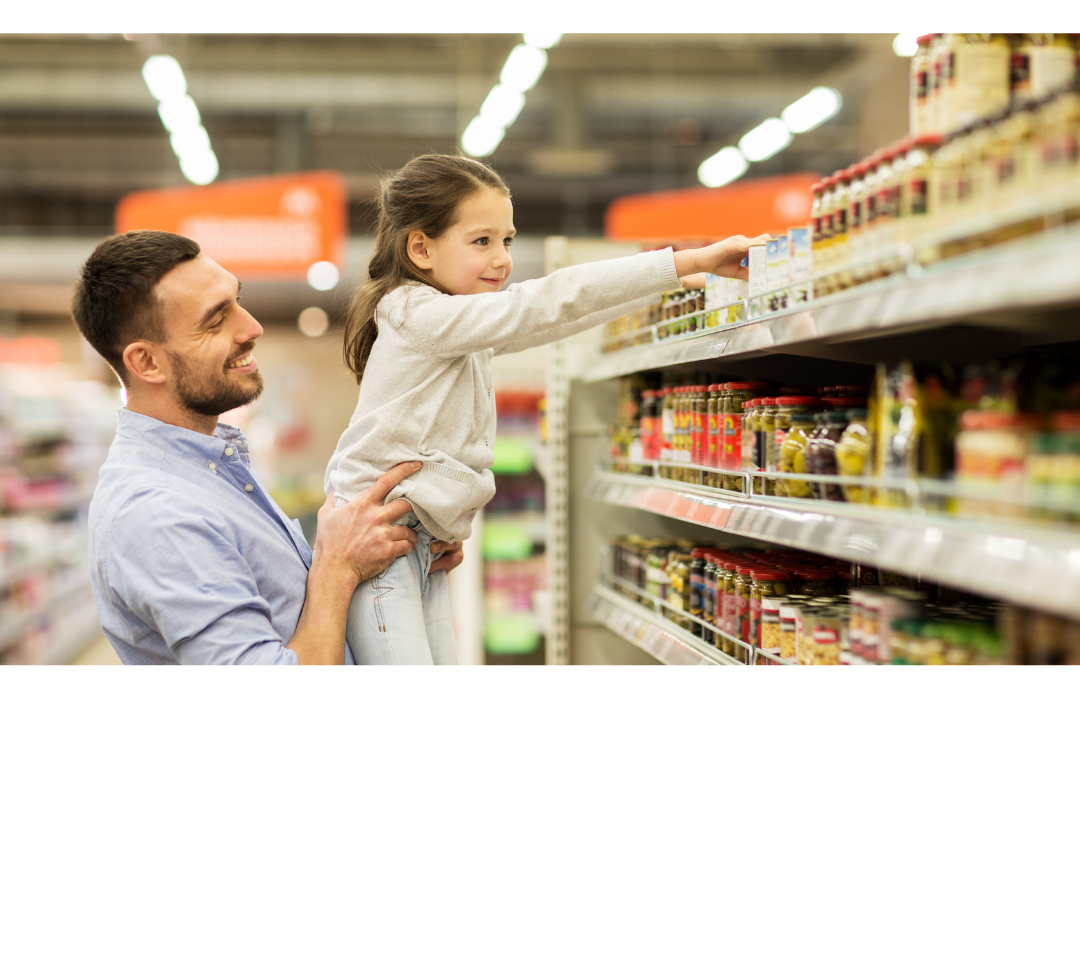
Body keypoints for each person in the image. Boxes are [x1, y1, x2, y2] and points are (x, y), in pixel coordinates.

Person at [327, 151, 761, 665]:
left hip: (417, 542)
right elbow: (546, 303)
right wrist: (684, 261)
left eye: (506, 240)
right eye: (482, 241)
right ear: (420, 248)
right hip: (378, 540)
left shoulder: (455, 324)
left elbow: (554, 321)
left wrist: (665, 286)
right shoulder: (415, 313)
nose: (502, 258)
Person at [73, 230, 461, 665]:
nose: (252, 327)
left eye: (237, 300)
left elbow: (286, 609)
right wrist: (337, 568)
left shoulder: (210, 465)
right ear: (146, 362)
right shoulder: (157, 514)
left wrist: (384, 552)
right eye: (216, 319)